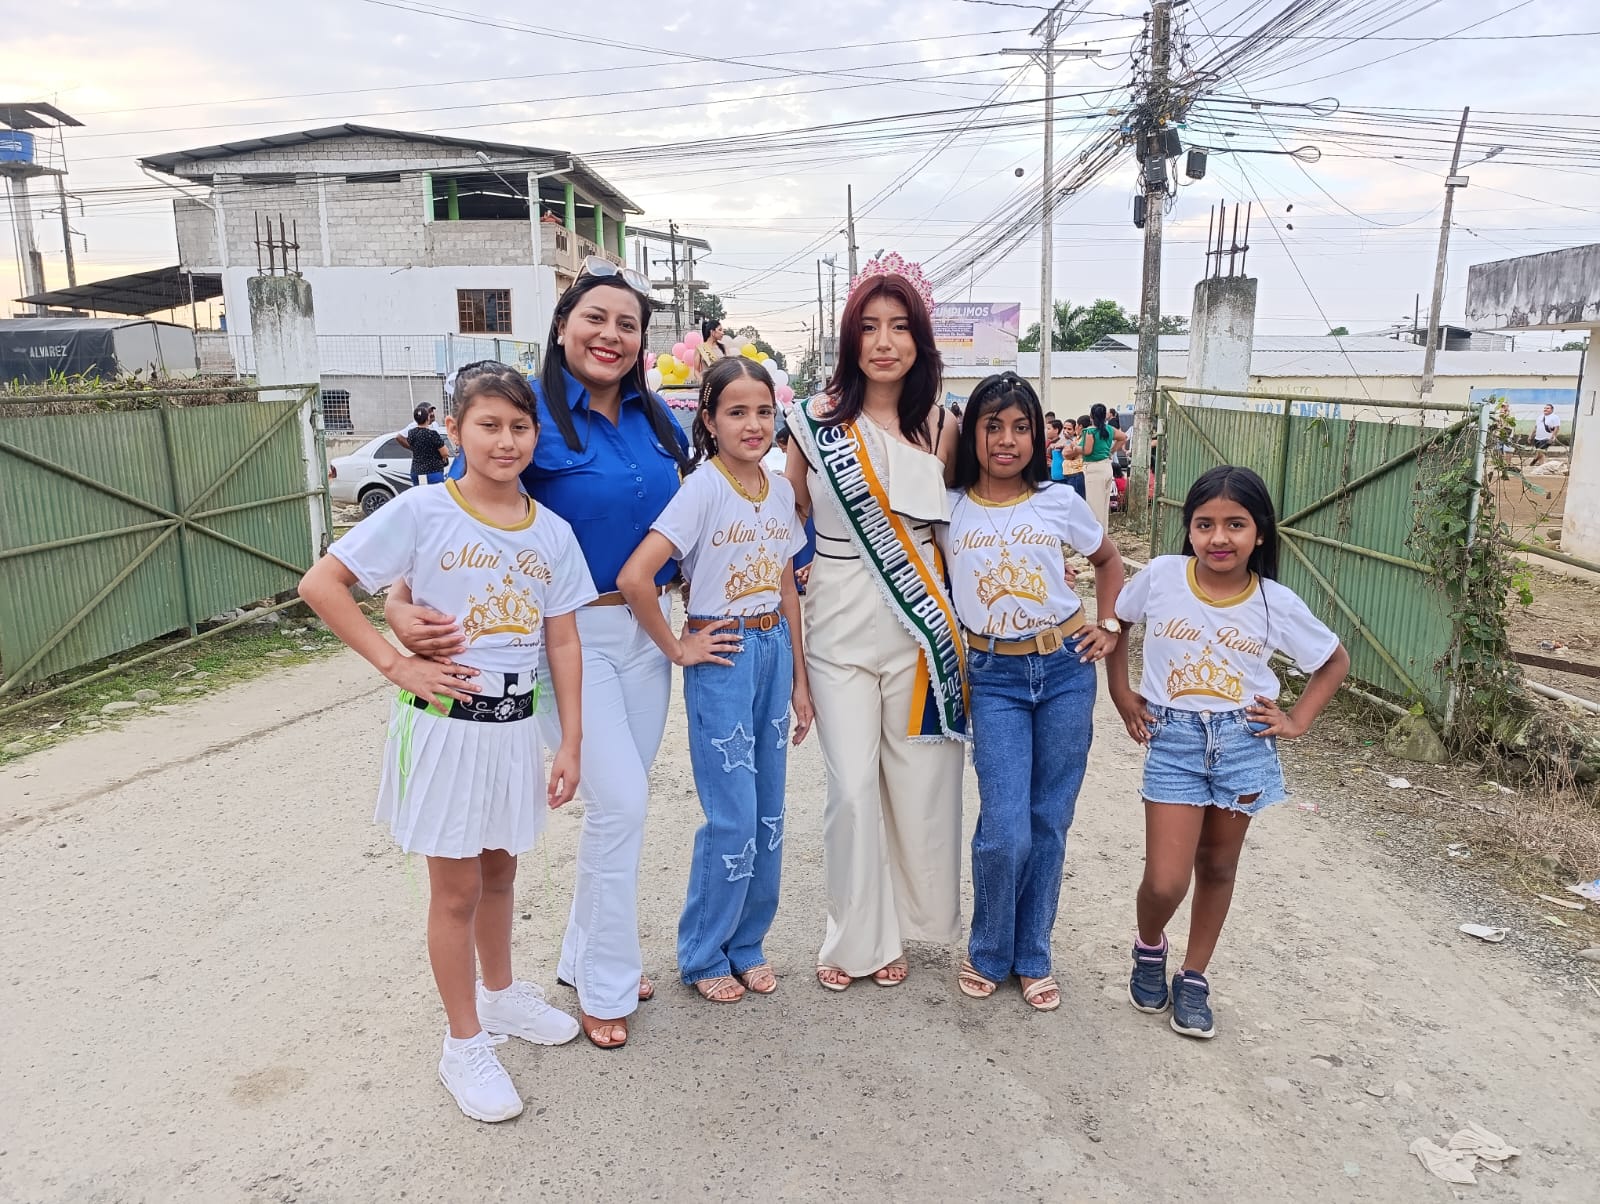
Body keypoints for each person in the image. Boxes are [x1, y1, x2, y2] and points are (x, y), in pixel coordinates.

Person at [386, 257, 690, 1051]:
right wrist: (396, 607)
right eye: (595, 318)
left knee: (618, 811)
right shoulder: (527, 418)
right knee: (622, 805)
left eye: (628, 324)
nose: (610, 335)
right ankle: (606, 984)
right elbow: (451, 519)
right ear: (562, 328)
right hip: (567, 636)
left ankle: (585, 955)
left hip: (648, 633)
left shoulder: (659, 421)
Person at [297, 362, 592, 1122]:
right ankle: (463, 1043)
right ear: (453, 430)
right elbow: (321, 585)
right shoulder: (424, 511)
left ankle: (500, 995)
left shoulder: (553, 532)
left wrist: (570, 741)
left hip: (513, 729)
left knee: (501, 872)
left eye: (520, 426)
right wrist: (397, 663)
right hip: (446, 730)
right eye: (488, 425)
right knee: (456, 891)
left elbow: (562, 641)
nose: (506, 441)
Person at [1108, 465, 1351, 1040]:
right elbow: (1117, 621)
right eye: (1205, 524)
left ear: (1260, 532)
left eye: (1235, 524)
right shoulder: (1163, 577)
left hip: (1243, 743)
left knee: (1217, 866)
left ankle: (1193, 976)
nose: (1219, 537)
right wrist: (1120, 693)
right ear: (1189, 530)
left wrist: (1295, 721)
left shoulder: (1275, 602)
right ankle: (1149, 946)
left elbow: (1333, 661)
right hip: (1174, 742)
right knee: (1165, 881)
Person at [784, 252, 966, 993]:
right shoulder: (811, 424)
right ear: (848, 339)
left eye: (899, 326)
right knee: (852, 789)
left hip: (919, 631)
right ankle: (855, 937)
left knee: (917, 782)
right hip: (836, 622)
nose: (884, 342)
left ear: (920, 339)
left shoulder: (942, 425)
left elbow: (955, 532)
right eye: (868, 327)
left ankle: (904, 927)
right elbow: (784, 523)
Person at [618, 357, 814, 1002]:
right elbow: (635, 577)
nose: (752, 425)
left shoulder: (780, 491)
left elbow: (787, 586)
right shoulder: (701, 489)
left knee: (770, 815)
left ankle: (748, 944)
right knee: (732, 818)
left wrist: (801, 680)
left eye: (763, 411)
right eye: (736, 412)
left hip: (774, 648)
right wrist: (678, 647)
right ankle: (703, 953)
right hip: (722, 655)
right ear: (708, 419)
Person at [942, 373, 1126, 1012]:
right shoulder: (948, 508)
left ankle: (1033, 952)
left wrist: (1109, 625)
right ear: (971, 433)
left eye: (1021, 427)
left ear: (1038, 436)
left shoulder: (1057, 500)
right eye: (992, 426)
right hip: (993, 678)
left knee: (1049, 819)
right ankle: (989, 948)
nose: (1007, 440)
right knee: (1004, 827)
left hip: (1066, 670)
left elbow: (1109, 560)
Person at [1080, 403, 1118, 530]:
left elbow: (1087, 451)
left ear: (1091, 416)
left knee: (1093, 508)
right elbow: (1124, 437)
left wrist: (1075, 448)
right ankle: (1103, 534)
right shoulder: (1109, 429)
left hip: (1094, 469)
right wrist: (1111, 451)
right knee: (1103, 507)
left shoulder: (1089, 431)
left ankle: (1096, 538)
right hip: (1106, 467)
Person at [401, 402, 451, 485]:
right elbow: (445, 453)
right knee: (434, 492)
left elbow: (412, 444)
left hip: (417, 471)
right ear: (427, 417)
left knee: (421, 492)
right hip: (433, 472)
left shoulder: (411, 433)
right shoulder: (432, 434)